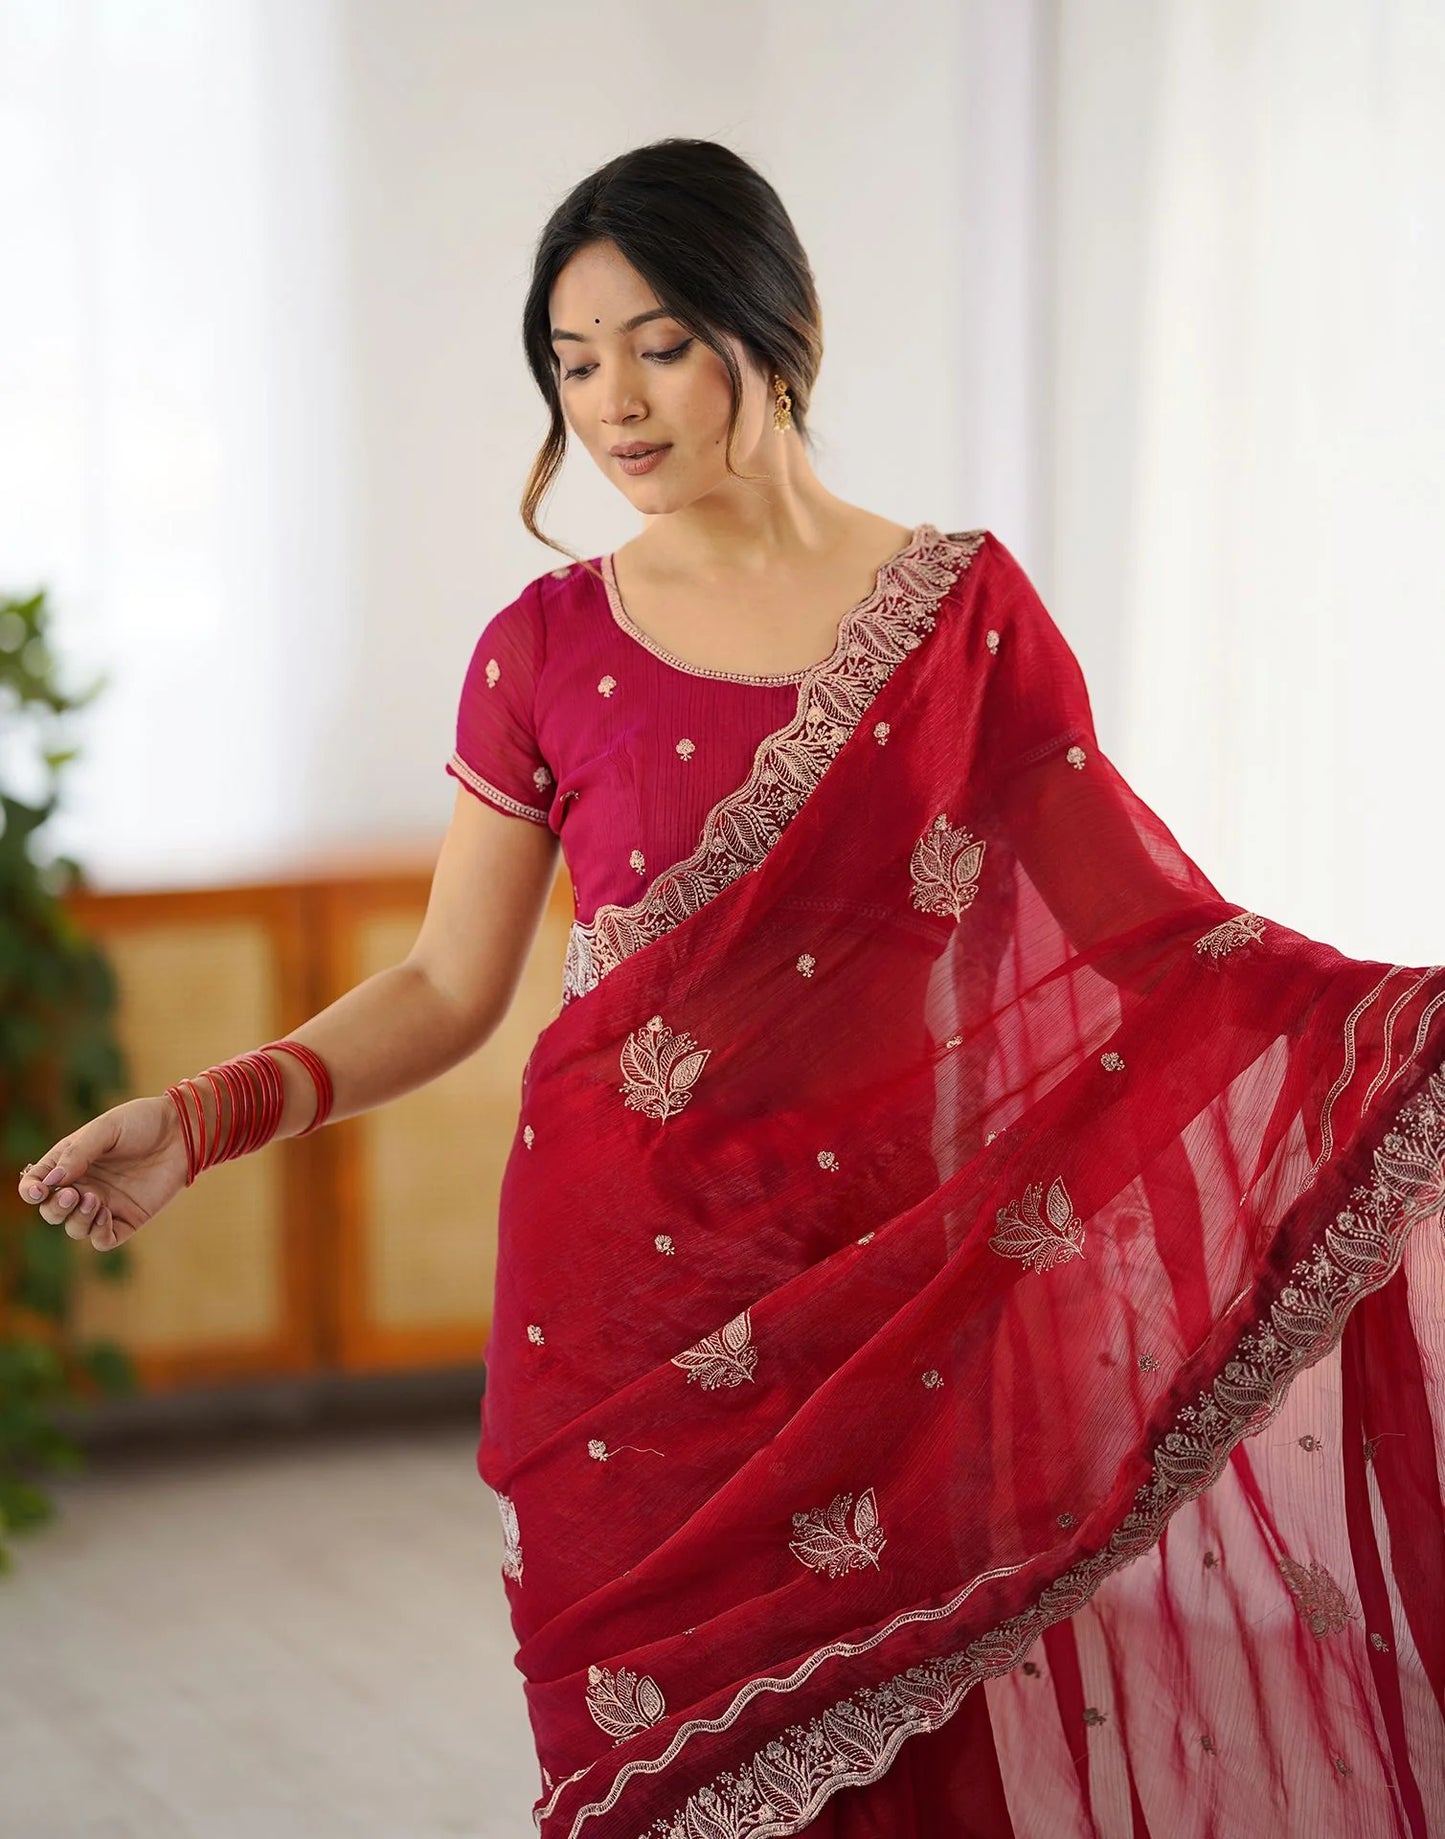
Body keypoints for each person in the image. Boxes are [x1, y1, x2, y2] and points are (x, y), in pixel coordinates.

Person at [16, 138, 1445, 1838]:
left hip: (893, 1300)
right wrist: (203, 1116)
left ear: (772, 328)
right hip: (613, 1302)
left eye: (658, 342)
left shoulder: (963, 616)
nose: (612, 402)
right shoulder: (541, 646)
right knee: (650, 1773)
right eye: (571, 361)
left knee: (908, 1761)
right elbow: (447, 985)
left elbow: (1155, 946)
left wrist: (1401, 1033)